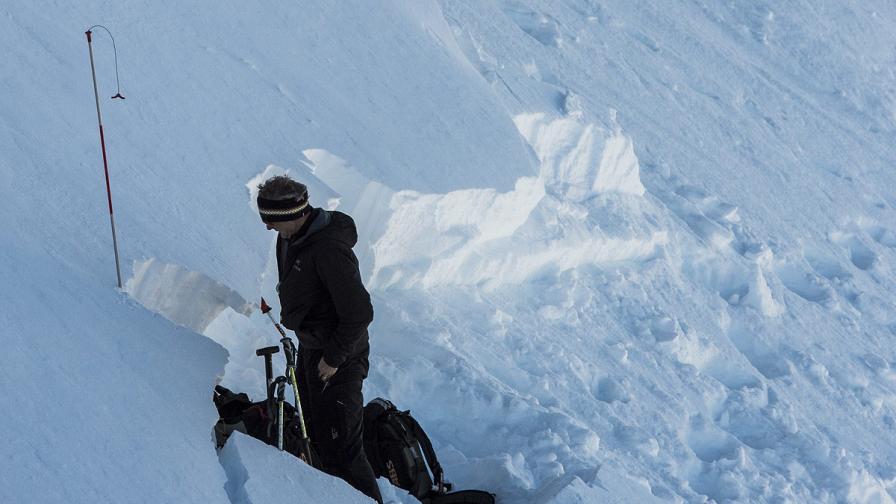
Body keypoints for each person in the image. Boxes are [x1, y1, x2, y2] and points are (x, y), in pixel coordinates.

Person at [257, 175, 383, 503]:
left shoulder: (329, 249)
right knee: (315, 435)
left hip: (339, 356)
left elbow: (359, 312)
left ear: (294, 214)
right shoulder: (291, 236)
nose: (269, 229)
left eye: (272, 221)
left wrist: (334, 358)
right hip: (312, 347)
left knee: (344, 450)